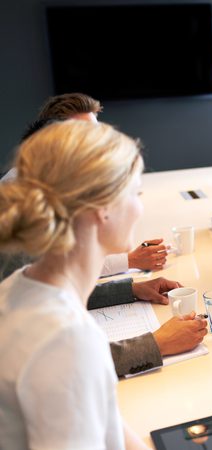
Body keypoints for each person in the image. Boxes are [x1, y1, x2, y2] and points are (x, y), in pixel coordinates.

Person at [0, 120, 152, 448]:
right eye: (136, 193)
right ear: (102, 208)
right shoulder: (67, 340)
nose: (140, 208)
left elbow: (101, 415)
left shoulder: (16, 288)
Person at [3, 92, 169, 273]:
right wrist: (130, 261)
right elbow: (56, 276)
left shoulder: (62, 187)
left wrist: (132, 286)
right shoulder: (20, 198)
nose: (95, 145)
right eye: (83, 136)